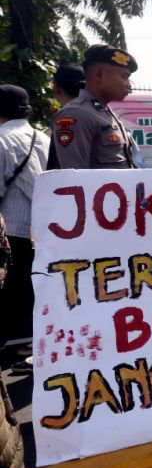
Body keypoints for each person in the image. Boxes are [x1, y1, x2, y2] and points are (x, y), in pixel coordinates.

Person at [0, 85, 50, 374]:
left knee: (11, 291)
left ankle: (18, 344)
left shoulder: (3, 139)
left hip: (12, 231)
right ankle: (31, 342)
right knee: (31, 291)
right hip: (40, 229)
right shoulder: (44, 139)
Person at [49, 44, 138, 169]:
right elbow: (75, 179)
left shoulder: (104, 111)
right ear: (99, 75)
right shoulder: (76, 114)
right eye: (124, 77)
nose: (129, 84)